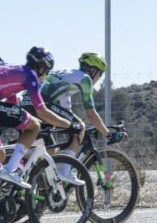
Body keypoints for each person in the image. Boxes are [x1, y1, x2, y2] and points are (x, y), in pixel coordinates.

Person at [0, 46, 82, 191]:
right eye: (47, 71)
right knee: (35, 125)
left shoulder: (11, 71)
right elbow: (41, 111)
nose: (45, 75)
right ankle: (10, 170)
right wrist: (69, 125)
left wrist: (22, 125)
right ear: (42, 67)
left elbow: (13, 106)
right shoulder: (30, 75)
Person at [21, 52, 126, 181]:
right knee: (79, 127)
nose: (99, 78)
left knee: (52, 153)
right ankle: (64, 171)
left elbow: (66, 110)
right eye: (100, 73)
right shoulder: (85, 79)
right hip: (42, 104)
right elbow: (91, 114)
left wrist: (72, 125)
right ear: (93, 71)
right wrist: (107, 133)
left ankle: (44, 185)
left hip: (26, 103)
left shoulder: (68, 75)